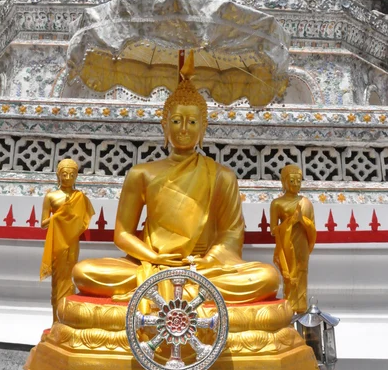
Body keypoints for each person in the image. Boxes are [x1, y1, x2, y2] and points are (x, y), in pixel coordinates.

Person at [73, 52, 279, 304]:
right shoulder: (142, 173)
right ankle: (184, 294)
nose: (183, 129)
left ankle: (175, 292)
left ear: (204, 128)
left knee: (267, 277)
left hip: (203, 268)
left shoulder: (222, 176)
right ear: (164, 125)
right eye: (177, 120)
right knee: (84, 272)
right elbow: (123, 234)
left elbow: (231, 234)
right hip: (149, 264)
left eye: (192, 122)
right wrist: (154, 258)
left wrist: (206, 262)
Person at [40, 158, 94, 322]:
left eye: (72, 174)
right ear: (58, 175)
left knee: (69, 279)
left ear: (76, 176)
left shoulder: (80, 197)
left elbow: (83, 221)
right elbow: (43, 224)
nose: (68, 177)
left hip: (71, 243)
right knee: (58, 282)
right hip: (57, 243)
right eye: (64, 174)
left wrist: (70, 219)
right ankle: (55, 321)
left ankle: (66, 320)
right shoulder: (51, 196)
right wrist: (58, 217)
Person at [270, 164, 316, 313]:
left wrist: (302, 220)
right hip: (286, 246)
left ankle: (302, 309)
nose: (296, 184)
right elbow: (273, 230)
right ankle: (289, 310)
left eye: (299, 181)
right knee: (289, 277)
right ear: (284, 181)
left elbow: (313, 228)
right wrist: (290, 221)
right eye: (292, 181)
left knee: (302, 274)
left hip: (301, 244)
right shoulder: (277, 203)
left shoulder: (306, 203)